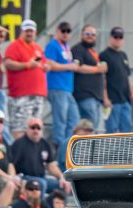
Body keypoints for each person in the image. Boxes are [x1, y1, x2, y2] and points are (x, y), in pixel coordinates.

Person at [4, 19, 50, 140]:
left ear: (35, 32)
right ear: (22, 31)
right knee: (20, 127)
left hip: (38, 94)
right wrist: (27, 65)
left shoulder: (37, 47)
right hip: (21, 94)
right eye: (27, 31)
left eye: (31, 31)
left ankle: (33, 151)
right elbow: (8, 63)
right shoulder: (14, 46)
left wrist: (45, 67)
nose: (29, 33)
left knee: (36, 127)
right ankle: (19, 150)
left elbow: (42, 63)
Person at [45, 21, 81, 164]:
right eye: (63, 30)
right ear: (57, 31)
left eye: (68, 31)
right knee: (60, 121)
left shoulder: (66, 47)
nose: (66, 33)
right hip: (57, 87)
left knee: (74, 120)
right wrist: (70, 66)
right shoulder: (52, 45)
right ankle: (59, 154)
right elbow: (49, 64)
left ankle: (66, 149)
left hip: (67, 89)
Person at [11, 117, 71, 197]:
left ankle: (56, 205)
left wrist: (61, 177)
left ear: (42, 129)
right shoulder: (19, 144)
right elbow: (11, 164)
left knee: (62, 185)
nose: (36, 130)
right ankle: (41, 205)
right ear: (27, 129)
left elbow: (50, 165)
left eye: (38, 128)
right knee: (41, 184)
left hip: (42, 178)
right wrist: (13, 178)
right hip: (25, 178)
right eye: (33, 127)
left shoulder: (44, 144)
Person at [100, 26, 133, 133]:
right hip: (112, 101)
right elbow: (102, 78)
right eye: (115, 37)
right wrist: (105, 98)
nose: (117, 39)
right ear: (110, 38)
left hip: (125, 100)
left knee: (127, 129)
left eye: (120, 37)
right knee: (112, 130)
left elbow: (128, 76)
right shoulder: (104, 55)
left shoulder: (123, 55)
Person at [72, 25, 108, 129]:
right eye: (87, 34)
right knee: (89, 126)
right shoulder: (78, 49)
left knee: (94, 126)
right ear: (82, 35)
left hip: (96, 97)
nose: (90, 36)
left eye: (93, 34)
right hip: (85, 95)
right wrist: (97, 69)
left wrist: (104, 97)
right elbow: (78, 67)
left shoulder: (92, 52)